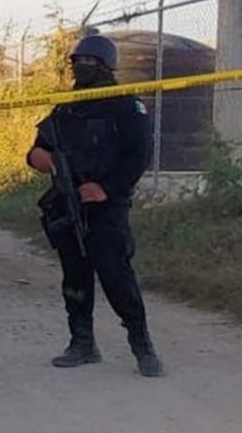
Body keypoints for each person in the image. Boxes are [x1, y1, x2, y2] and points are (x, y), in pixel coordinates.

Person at [27, 33, 162, 377]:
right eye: (76, 63)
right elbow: (38, 149)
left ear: (106, 67)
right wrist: (39, 157)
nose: (80, 69)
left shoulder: (125, 106)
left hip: (106, 206)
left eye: (88, 63)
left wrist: (105, 188)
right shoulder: (66, 108)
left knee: (115, 275)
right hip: (67, 202)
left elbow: (139, 155)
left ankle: (141, 343)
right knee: (74, 276)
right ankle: (82, 343)